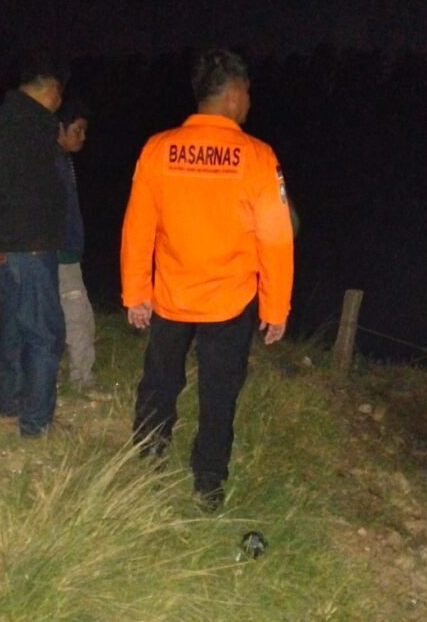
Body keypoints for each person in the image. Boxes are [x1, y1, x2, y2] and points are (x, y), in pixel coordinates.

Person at [120, 49, 294, 509]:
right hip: (229, 302)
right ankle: (208, 483)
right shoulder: (258, 157)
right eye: (248, 93)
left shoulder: (158, 149)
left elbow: (138, 227)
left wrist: (136, 292)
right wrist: (276, 307)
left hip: (170, 295)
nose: (249, 102)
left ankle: (148, 455)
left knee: (160, 380)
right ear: (233, 95)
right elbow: (276, 240)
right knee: (219, 392)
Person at [0, 50, 69, 438]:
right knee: (44, 332)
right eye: (60, 94)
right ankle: (36, 422)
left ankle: (11, 401)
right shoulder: (32, 122)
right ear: (51, 89)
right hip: (27, 241)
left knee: (16, 322)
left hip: (5, 241)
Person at [55, 98, 103, 395]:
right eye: (77, 130)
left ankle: (67, 375)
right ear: (59, 128)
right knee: (77, 316)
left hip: (65, 251)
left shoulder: (63, 161)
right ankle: (81, 381)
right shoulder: (51, 162)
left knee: (71, 314)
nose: (82, 137)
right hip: (59, 254)